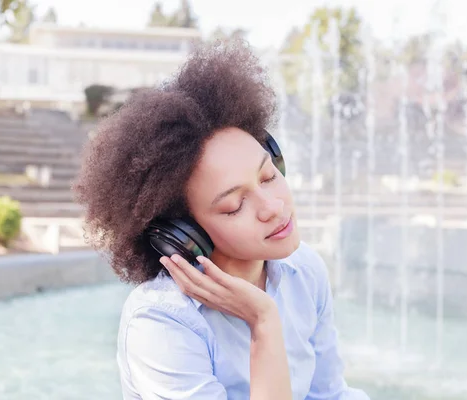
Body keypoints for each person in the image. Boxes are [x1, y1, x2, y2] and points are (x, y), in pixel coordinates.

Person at [73, 40, 370, 400]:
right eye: (233, 206)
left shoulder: (303, 270)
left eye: (268, 177)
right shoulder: (162, 321)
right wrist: (263, 325)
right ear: (183, 233)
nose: (273, 207)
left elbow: (330, 394)